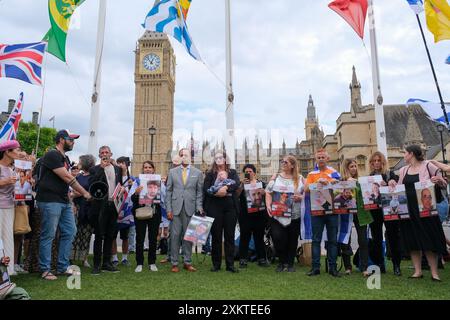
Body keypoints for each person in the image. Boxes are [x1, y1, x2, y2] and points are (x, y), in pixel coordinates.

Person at [36, 130, 91, 280]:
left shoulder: (65, 158)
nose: (73, 142)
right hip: (50, 200)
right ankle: (45, 269)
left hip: (63, 200)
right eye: (70, 139)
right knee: (49, 234)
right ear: (61, 140)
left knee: (70, 231)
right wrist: (85, 193)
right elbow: (67, 177)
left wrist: (70, 201)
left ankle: (62, 266)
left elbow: (65, 183)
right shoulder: (52, 154)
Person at [394, 145, 447, 281]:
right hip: (408, 210)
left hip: (426, 210)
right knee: (412, 240)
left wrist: (439, 180)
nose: (403, 156)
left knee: (428, 239)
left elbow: (444, 184)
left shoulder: (429, 165)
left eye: (405, 153)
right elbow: (399, 188)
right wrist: (391, 184)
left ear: (411, 154)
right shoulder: (403, 170)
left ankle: (434, 273)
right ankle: (418, 271)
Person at [166, 148, 204, 273]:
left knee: (189, 237)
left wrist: (199, 207)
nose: (184, 157)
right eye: (181, 155)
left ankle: (187, 262)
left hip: (190, 208)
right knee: (175, 236)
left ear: (190, 157)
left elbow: (199, 192)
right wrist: (168, 209)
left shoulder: (197, 173)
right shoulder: (172, 172)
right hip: (175, 208)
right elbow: (169, 191)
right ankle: (174, 262)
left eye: (186, 155)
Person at [305, 149, 341, 277]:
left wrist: (329, 182)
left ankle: (333, 267)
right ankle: (315, 268)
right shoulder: (311, 174)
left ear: (328, 159)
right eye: (318, 157)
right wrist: (317, 183)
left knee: (332, 240)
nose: (320, 159)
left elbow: (340, 187)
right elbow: (306, 189)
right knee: (316, 240)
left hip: (332, 210)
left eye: (323, 157)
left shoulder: (334, 172)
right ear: (316, 159)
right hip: (317, 210)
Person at [265, 156, 304, 272]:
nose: (283, 163)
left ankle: (290, 263)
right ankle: (281, 262)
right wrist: (268, 205)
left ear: (292, 165)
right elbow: (268, 192)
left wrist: (301, 197)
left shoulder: (300, 178)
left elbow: (307, 193)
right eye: (282, 162)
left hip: (294, 214)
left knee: (292, 240)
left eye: (286, 162)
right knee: (277, 238)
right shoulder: (276, 177)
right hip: (278, 214)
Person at [204, 151, 240, 273]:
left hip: (230, 208)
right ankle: (216, 264)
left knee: (229, 236)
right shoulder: (210, 174)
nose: (219, 159)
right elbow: (206, 189)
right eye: (216, 158)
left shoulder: (232, 172)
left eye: (221, 157)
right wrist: (216, 192)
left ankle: (230, 265)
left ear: (225, 159)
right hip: (215, 207)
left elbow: (236, 184)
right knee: (216, 237)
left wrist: (226, 187)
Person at [89, 146, 122, 275]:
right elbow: (92, 184)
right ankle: (96, 264)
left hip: (113, 205)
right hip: (100, 206)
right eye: (102, 153)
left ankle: (106, 263)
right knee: (99, 235)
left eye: (106, 152)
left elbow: (119, 185)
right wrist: (101, 169)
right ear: (99, 155)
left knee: (110, 235)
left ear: (111, 154)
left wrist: (122, 189)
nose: (105, 154)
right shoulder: (95, 169)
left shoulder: (118, 169)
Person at [368, 151, 402, 276]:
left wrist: (388, 184)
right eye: (374, 161)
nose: (376, 163)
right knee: (376, 238)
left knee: (393, 237)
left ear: (383, 162)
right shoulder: (370, 177)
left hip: (389, 209)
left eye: (378, 160)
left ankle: (396, 265)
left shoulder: (390, 174)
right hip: (375, 210)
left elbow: (397, 190)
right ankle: (380, 265)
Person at [341, 158, 373, 277]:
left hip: (361, 214)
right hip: (346, 214)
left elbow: (366, 195)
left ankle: (364, 268)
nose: (354, 168)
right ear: (346, 168)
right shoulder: (340, 182)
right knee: (345, 241)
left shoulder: (360, 181)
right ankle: (347, 267)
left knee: (363, 241)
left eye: (355, 166)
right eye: (351, 167)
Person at [131, 161, 163, 272]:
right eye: (145, 167)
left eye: (150, 167)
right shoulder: (137, 181)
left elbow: (163, 197)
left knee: (153, 238)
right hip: (141, 212)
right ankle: (139, 263)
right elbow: (132, 199)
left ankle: (152, 262)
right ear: (143, 169)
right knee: (140, 238)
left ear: (153, 169)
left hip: (154, 212)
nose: (147, 169)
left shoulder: (159, 181)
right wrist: (136, 193)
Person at [237, 164, 269, 268]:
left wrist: (264, 193)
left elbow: (268, 196)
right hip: (245, 215)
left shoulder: (261, 184)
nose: (248, 173)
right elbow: (236, 196)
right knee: (244, 237)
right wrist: (241, 186)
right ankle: (243, 259)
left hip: (259, 214)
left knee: (259, 237)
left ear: (254, 173)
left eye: (250, 171)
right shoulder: (241, 184)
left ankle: (262, 259)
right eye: (246, 172)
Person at [0, 140, 21, 275]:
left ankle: (7, 270)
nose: (19, 152)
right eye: (16, 150)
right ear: (7, 152)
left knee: (7, 236)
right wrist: (6, 181)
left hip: (10, 206)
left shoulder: (11, 169)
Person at [70, 155, 96, 268]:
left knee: (86, 235)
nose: (78, 163)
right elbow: (74, 190)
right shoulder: (78, 176)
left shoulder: (93, 177)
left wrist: (77, 193)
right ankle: (71, 257)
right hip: (77, 207)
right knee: (74, 234)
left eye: (80, 161)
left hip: (88, 208)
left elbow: (89, 191)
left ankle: (84, 258)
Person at [111, 156, 135, 267]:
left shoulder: (132, 179)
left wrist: (132, 186)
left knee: (125, 236)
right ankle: (114, 257)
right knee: (113, 235)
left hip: (126, 210)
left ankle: (125, 258)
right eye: (118, 163)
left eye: (122, 163)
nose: (120, 165)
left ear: (127, 165)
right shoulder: (115, 176)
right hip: (115, 209)